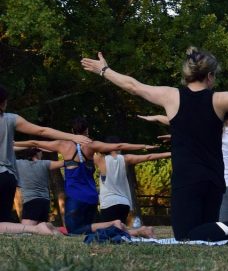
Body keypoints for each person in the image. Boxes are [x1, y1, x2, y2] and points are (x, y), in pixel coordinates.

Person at [81, 48, 228, 239]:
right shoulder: (220, 100)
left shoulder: (171, 96)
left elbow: (133, 86)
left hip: (187, 179)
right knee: (209, 232)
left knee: (186, 235)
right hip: (214, 179)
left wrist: (105, 70)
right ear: (209, 76)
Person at [17, 118, 157, 235]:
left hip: (75, 197)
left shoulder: (63, 144)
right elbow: (119, 145)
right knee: (90, 230)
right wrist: (144, 145)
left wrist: (12, 144)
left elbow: (34, 143)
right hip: (91, 196)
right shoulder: (92, 145)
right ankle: (137, 231)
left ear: (72, 132)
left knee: (73, 230)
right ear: (87, 131)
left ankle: (113, 224)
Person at [0, 85, 92, 222]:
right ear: (3, 102)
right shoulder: (11, 119)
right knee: (4, 221)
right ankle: (42, 228)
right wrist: (72, 137)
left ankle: (39, 229)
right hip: (8, 177)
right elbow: (42, 131)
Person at [95, 140, 171, 229]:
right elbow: (149, 156)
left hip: (108, 202)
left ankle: (142, 232)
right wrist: (170, 153)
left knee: (108, 233)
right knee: (121, 232)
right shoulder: (126, 158)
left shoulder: (99, 159)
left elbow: (87, 148)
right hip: (124, 203)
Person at [14, 147, 63, 225]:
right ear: (38, 153)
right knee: (41, 229)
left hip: (31, 201)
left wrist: (23, 146)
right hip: (45, 202)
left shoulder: (18, 163)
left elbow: (5, 153)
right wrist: (54, 148)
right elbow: (65, 163)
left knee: (27, 230)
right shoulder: (45, 163)